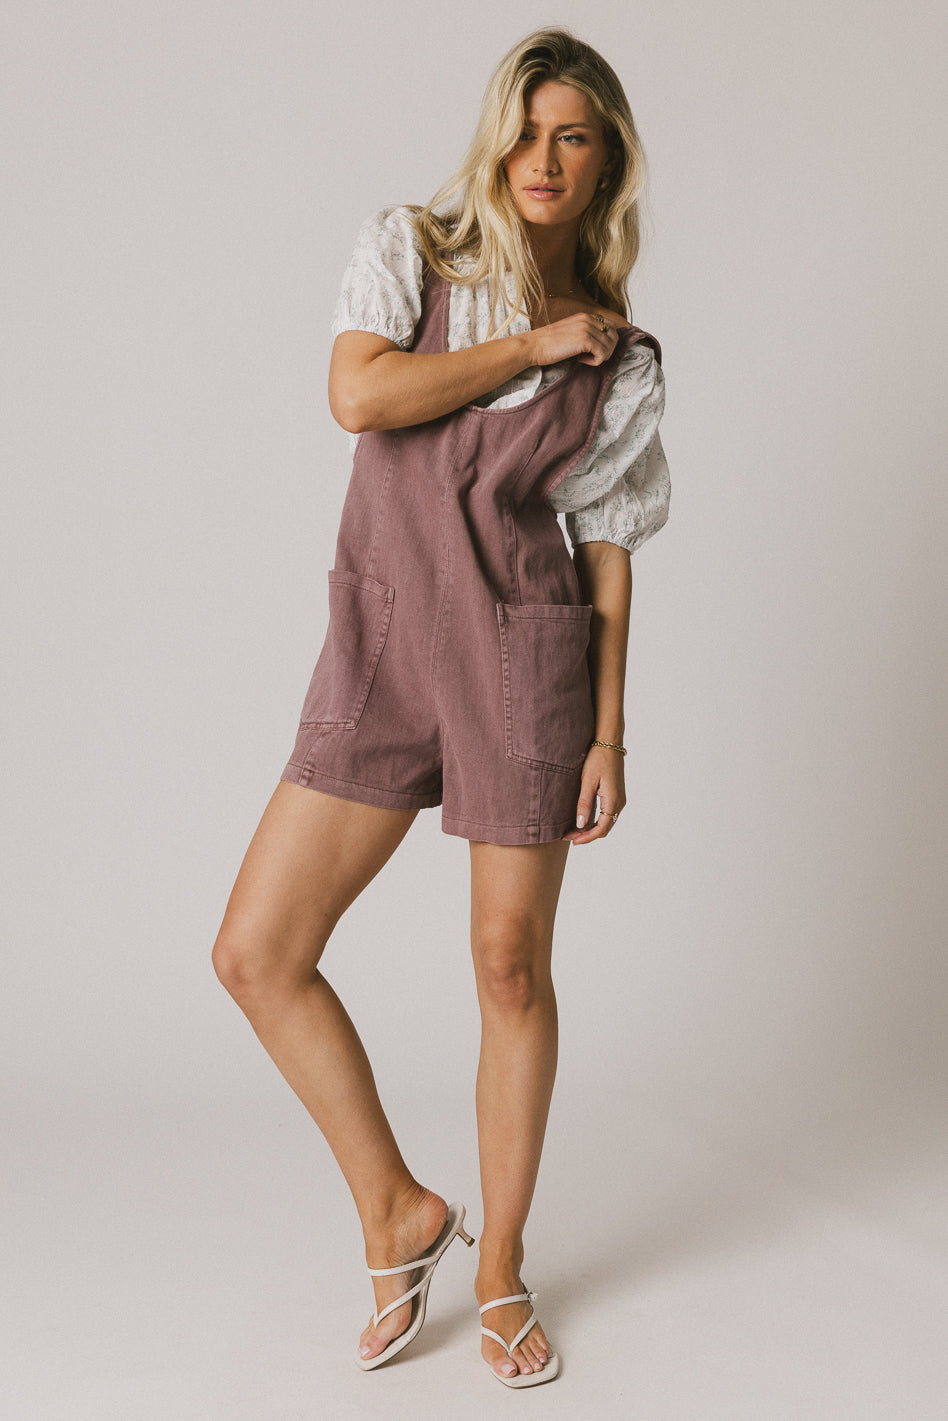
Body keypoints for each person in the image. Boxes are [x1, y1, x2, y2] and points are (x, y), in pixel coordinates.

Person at [212, 26, 670, 1390]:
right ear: (495, 139)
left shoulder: (623, 358)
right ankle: (398, 1209)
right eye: (525, 131)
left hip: (525, 657)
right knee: (257, 951)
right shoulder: (412, 250)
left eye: (573, 136)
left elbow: (607, 547)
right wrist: (533, 339)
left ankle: (503, 1268)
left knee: (508, 967)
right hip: (386, 643)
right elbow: (359, 395)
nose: (543, 159)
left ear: (607, 162)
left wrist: (608, 731)